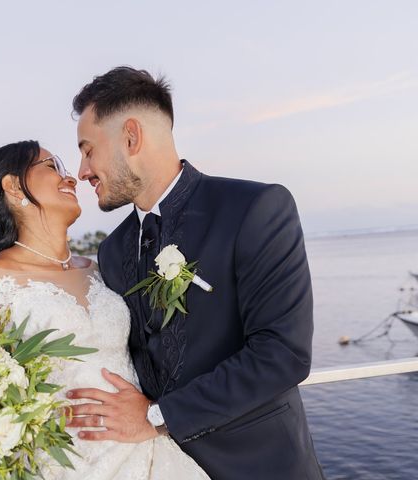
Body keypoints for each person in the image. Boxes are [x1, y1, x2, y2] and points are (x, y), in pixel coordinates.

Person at [67, 66, 326, 479]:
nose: (82, 170)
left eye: (88, 149)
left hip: (260, 466)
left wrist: (156, 416)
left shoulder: (255, 209)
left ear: (131, 137)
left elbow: (283, 354)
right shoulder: (112, 250)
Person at [0, 141, 209, 479]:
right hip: (66, 463)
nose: (71, 177)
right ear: (13, 185)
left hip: (147, 448)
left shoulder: (98, 268)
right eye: (52, 166)